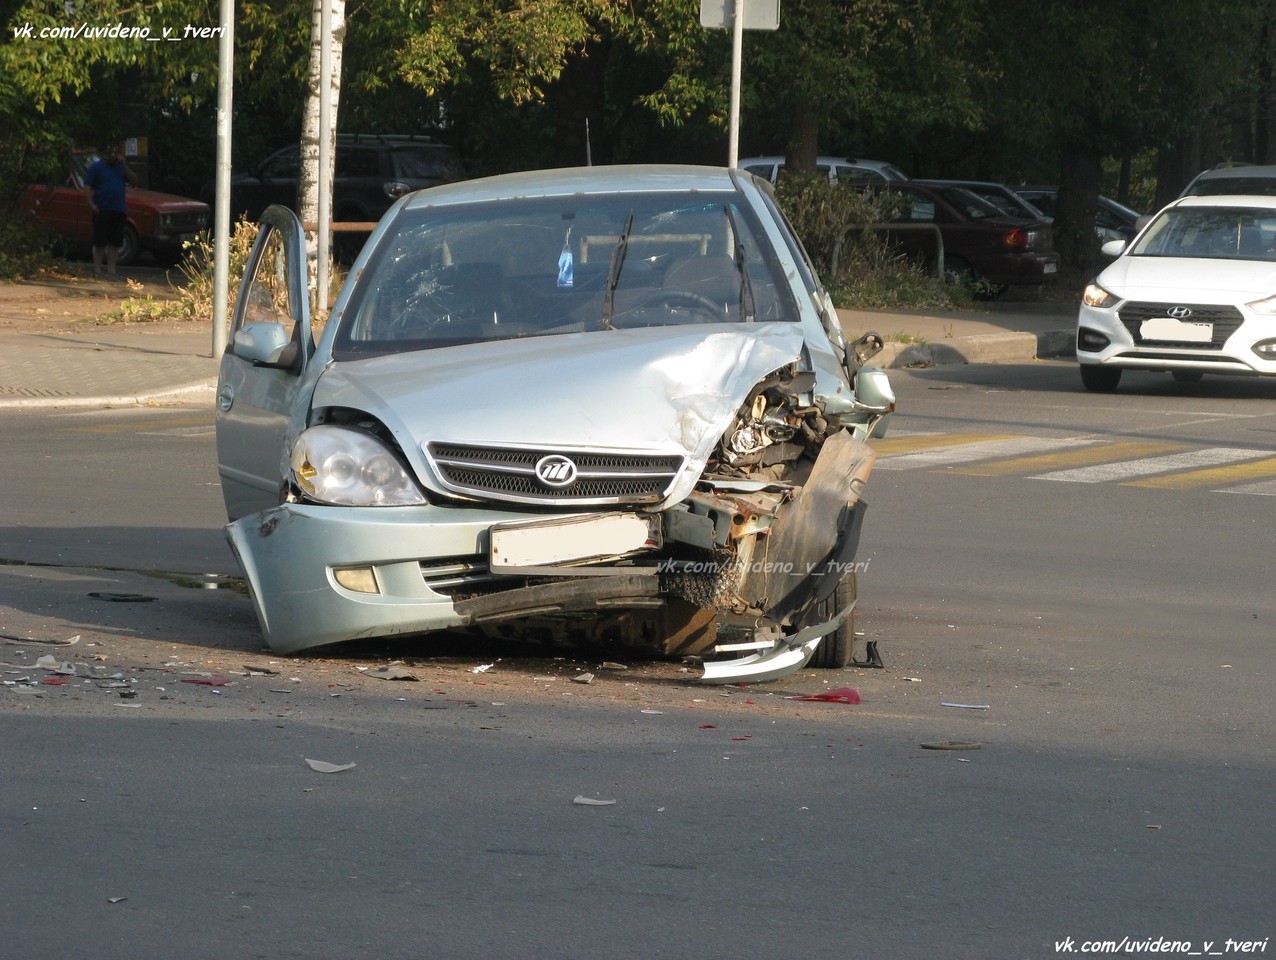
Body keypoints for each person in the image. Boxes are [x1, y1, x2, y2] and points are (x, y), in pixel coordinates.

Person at [82, 148, 136, 277]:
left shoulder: (120, 168)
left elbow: (134, 180)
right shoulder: (96, 167)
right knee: (100, 241)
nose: (113, 155)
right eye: (110, 153)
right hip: (101, 208)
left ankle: (111, 270)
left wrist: (125, 165)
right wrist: (91, 204)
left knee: (115, 241)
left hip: (118, 209)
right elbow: (87, 187)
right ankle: (97, 269)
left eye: (115, 153)